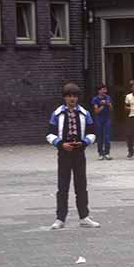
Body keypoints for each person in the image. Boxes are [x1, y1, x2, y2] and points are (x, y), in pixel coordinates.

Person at [46, 83, 101, 229]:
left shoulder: (84, 113)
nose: (72, 99)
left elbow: (92, 132)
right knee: (62, 186)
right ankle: (60, 218)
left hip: (79, 153)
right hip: (64, 153)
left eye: (75, 96)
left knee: (81, 185)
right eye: (69, 96)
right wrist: (60, 144)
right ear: (64, 97)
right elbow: (49, 134)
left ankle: (84, 217)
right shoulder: (57, 114)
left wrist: (84, 142)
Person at [90, 83, 113, 160]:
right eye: (103, 89)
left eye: (105, 89)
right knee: (100, 136)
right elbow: (96, 111)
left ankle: (107, 153)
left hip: (107, 118)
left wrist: (108, 104)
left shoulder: (108, 97)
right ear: (99, 91)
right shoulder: (95, 99)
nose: (105, 91)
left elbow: (111, 109)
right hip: (99, 119)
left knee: (107, 136)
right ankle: (100, 153)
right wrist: (102, 105)